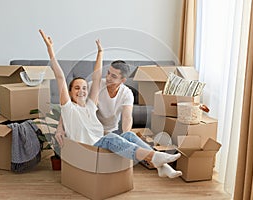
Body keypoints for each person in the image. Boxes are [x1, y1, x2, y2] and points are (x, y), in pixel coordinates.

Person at [39, 29, 182, 178]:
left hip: (100, 140)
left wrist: (100, 52)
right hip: (87, 147)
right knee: (112, 139)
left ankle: (162, 166)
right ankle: (154, 157)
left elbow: (96, 77)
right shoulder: (68, 108)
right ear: (69, 92)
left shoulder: (90, 105)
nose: (81, 91)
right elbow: (60, 77)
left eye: (84, 88)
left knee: (129, 136)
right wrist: (50, 50)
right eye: (76, 88)